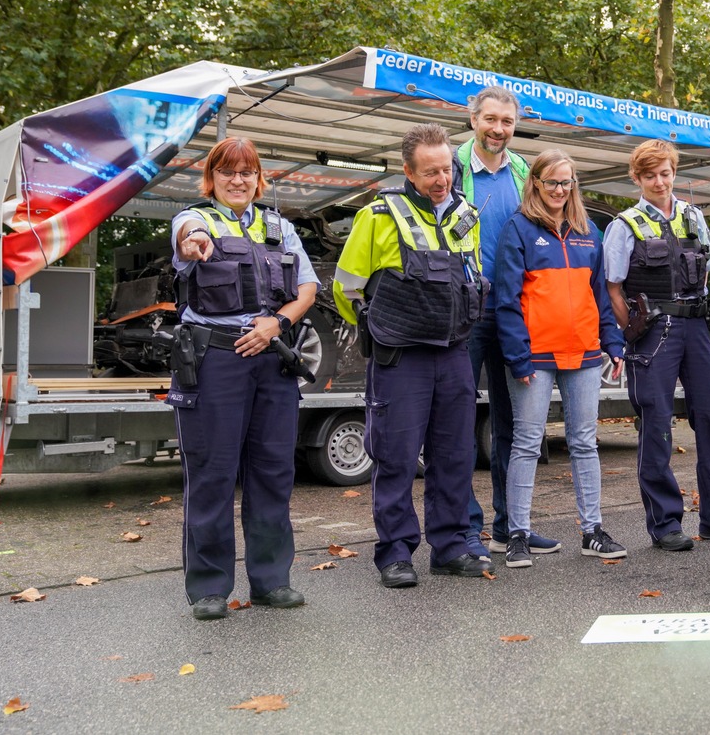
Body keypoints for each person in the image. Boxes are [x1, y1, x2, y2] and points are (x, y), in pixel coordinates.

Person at [332, 123, 494, 587]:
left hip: (454, 354)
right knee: (397, 456)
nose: (441, 180)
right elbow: (346, 288)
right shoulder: (379, 216)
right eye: (430, 173)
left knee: (455, 455)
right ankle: (395, 552)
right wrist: (375, 328)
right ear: (408, 171)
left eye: (446, 170)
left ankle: (449, 547)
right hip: (400, 357)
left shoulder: (468, 215)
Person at [168, 136, 318, 620]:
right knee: (212, 472)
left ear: (259, 179)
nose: (238, 180)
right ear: (211, 179)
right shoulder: (196, 220)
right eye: (228, 172)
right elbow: (185, 235)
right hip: (216, 360)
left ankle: (272, 581)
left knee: (273, 472)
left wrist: (279, 322)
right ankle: (210, 587)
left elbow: (308, 288)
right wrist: (193, 241)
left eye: (247, 172)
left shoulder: (281, 228)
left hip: (273, 358)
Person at [496, 149, 626, 567]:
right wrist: (517, 356)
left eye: (566, 181)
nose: (559, 189)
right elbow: (506, 299)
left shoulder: (590, 231)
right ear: (535, 182)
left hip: (585, 352)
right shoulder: (518, 228)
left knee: (584, 443)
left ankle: (592, 531)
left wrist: (613, 343)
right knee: (527, 444)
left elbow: (600, 296)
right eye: (551, 181)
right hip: (534, 356)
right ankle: (516, 534)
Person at [451, 86, 561, 560]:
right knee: (455, 421)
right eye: (490, 119)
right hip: (465, 308)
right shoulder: (451, 169)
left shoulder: (523, 171)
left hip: (515, 312)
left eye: (507, 122)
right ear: (473, 119)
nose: (499, 129)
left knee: (511, 424)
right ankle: (464, 530)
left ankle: (508, 526)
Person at [603, 139, 710, 552]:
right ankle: (665, 524)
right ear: (636, 178)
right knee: (655, 426)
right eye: (650, 175)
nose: (659, 181)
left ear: (674, 173)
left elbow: (708, 269)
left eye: (666, 173)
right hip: (653, 331)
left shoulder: (693, 216)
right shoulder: (624, 226)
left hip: (695, 327)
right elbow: (613, 288)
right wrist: (633, 328)